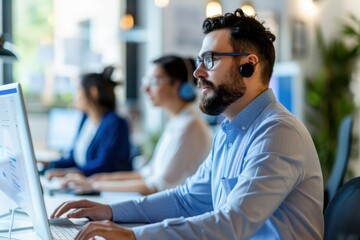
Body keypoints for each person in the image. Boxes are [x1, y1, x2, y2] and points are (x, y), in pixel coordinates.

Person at [51, 9, 324, 239]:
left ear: (248, 66)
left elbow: (232, 223)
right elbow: (187, 199)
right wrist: (111, 212)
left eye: (209, 60)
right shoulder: (228, 131)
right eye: (198, 61)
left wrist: (133, 235)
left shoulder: (277, 133)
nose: (197, 73)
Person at [60, 55, 212, 195]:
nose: (144, 89)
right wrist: (96, 180)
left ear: (178, 85)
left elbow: (156, 186)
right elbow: (147, 174)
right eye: (146, 81)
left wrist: (93, 185)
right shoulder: (178, 122)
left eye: (154, 81)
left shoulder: (189, 125)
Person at [42, 66, 132, 178]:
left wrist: (70, 173)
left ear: (93, 92)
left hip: (105, 188)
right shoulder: (85, 119)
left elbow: (104, 165)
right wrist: (49, 165)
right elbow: (73, 158)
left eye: (78, 91)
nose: (75, 96)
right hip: (83, 183)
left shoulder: (115, 123)